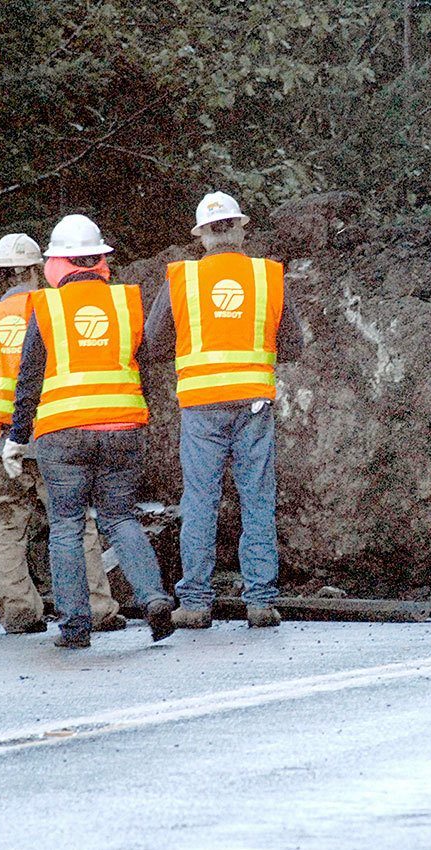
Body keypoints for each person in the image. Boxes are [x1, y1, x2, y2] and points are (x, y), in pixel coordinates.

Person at [0, 233, 126, 635]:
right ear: (39, 269)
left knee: (6, 529)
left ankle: (19, 613)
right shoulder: (57, 309)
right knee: (74, 524)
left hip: (0, 439)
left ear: (0, 276)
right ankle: (98, 609)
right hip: (52, 433)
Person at [3, 214, 175, 649]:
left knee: (66, 525)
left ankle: (76, 628)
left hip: (62, 433)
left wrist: (17, 438)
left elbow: (29, 380)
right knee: (121, 518)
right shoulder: (126, 303)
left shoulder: (47, 307)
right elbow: (145, 365)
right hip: (122, 427)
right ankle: (154, 597)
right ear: (100, 259)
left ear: (56, 264)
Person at [143, 191, 303, 629]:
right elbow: (293, 344)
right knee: (257, 498)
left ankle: (194, 603)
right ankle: (261, 602)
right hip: (253, 401)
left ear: (203, 236)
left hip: (201, 405)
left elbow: (153, 344)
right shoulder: (267, 276)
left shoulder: (183, 280)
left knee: (200, 500)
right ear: (239, 228)